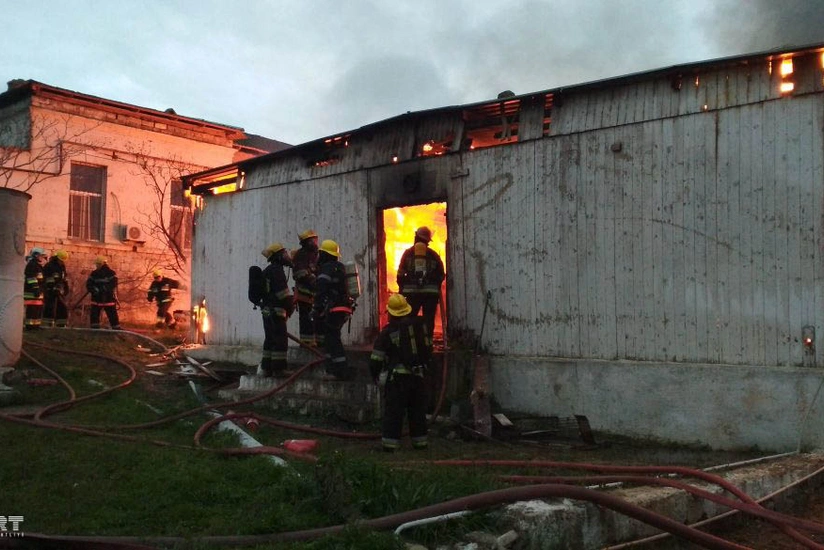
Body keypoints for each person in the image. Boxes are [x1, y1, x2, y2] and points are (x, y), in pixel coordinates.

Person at [369, 293, 432, 451]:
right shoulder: (418, 327)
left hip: (397, 380)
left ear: (390, 312)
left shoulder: (388, 332)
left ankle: (390, 446)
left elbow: (376, 358)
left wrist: (375, 375)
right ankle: (421, 443)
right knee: (417, 412)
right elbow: (427, 350)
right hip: (418, 377)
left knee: (394, 413)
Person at [313, 239, 354, 381]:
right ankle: (331, 368)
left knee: (332, 338)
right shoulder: (341, 267)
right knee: (330, 338)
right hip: (343, 309)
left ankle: (341, 371)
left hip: (333, 309)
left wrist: (317, 308)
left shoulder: (326, 269)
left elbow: (321, 290)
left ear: (325, 254)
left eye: (321, 253)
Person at [397, 226, 445, 337]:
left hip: (411, 293)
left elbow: (400, 274)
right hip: (430, 294)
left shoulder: (407, 253)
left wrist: (402, 289)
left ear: (416, 237)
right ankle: (428, 343)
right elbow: (441, 275)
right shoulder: (433, 255)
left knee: (409, 318)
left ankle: (410, 342)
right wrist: (434, 285)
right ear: (428, 240)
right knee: (428, 320)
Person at [259, 242, 294, 376]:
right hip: (277, 311)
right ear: (278, 256)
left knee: (269, 339)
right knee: (280, 339)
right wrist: (290, 306)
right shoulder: (277, 271)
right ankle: (279, 369)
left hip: (267, 311)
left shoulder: (267, 270)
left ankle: (266, 368)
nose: (287, 255)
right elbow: (283, 295)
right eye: (284, 253)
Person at [291, 229, 319, 345]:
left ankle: (315, 342)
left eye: (315, 239)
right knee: (306, 320)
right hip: (304, 294)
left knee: (315, 320)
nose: (315, 242)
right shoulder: (300, 255)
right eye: (312, 240)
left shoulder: (316, 254)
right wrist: (314, 280)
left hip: (314, 294)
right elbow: (300, 273)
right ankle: (306, 344)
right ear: (307, 242)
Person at [86, 256, 121, 330]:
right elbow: (88, 284)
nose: (96, 266)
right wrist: (94, 289)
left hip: (106, 298)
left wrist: (103, 289)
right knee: (96, 315)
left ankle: (116, 330)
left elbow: (113, 284)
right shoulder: (94, 273)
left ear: (102, 264)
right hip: (100, 298)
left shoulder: (110, 273)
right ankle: (95, 329)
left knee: (111, 315)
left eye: (97, 264)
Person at [43, 249, 70, 328]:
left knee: (62, 307)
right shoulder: (49, 266)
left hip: (59, 290)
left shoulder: (62, 266)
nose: (62, 262)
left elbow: (64, 277)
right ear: (57, 258)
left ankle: (61, 324)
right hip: (50, 290)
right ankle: (47, 324)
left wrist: (66, 287)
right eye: (61, 260)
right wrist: (52, 287)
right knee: (50, 307)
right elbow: (47, 278)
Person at [23, 247, 47, 330]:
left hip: (38, 291)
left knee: (37, 310)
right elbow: (31, 278)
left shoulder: (38, 265)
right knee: (32, 310)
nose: (42, 258)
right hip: (31, 292)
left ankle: (36, 326)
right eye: (41, 256)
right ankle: (30, 327)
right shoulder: (32, 265)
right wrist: (36, 288)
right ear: (36, 255)